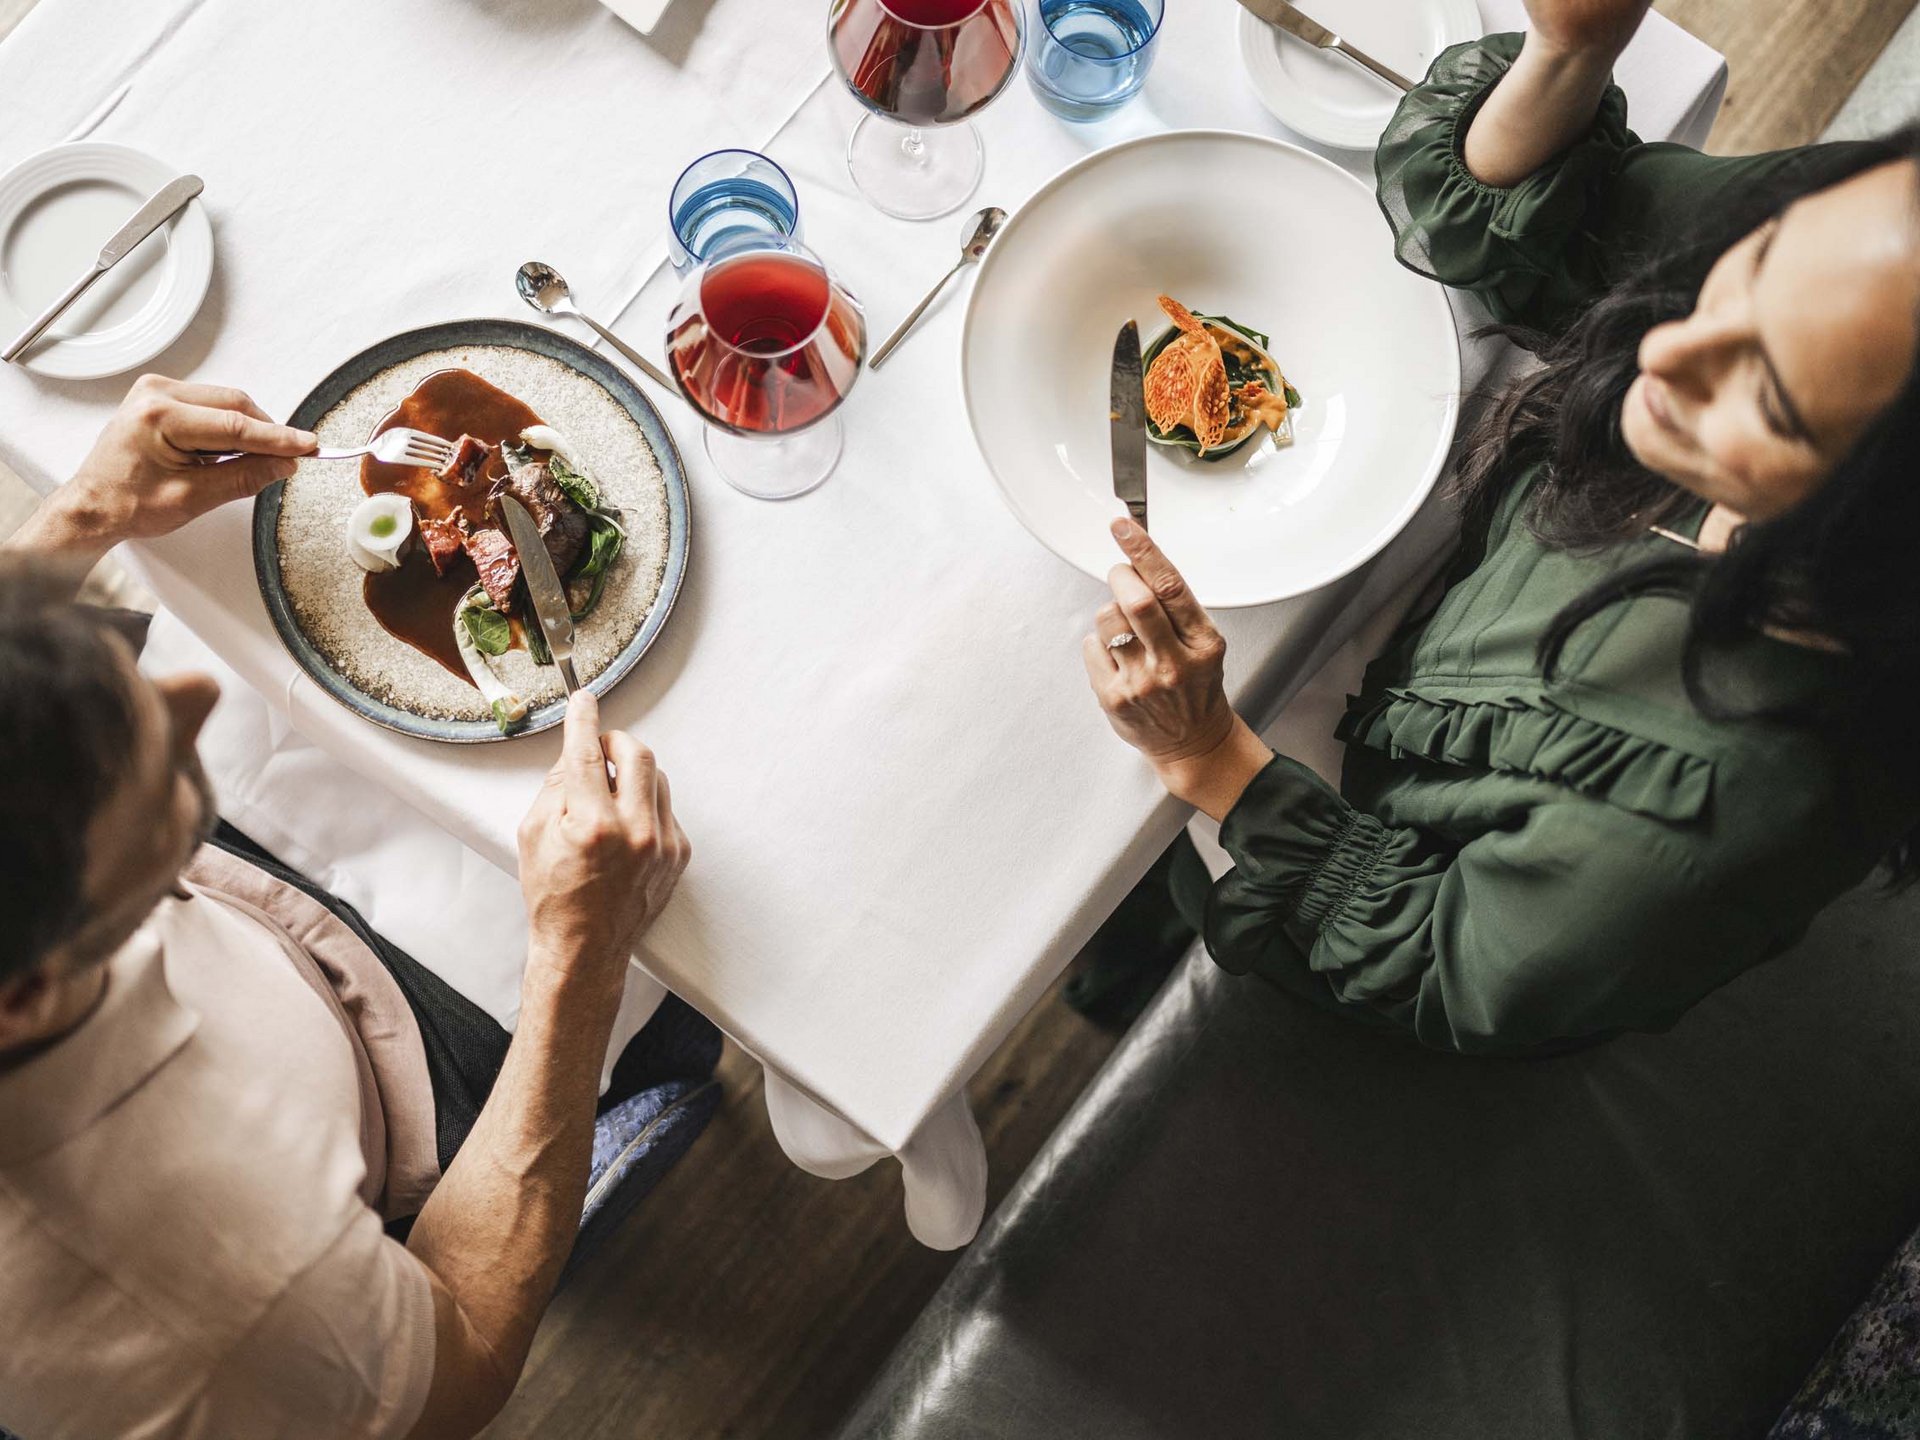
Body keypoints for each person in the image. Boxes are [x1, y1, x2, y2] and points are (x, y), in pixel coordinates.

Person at [1080, 0, 1920, 1054]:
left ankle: (1128, 977)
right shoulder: (1882, 241)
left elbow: (1441, 962)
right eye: (1747, 273)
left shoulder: (1707, 824)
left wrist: (1208, 755)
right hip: (1435, 596)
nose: (1663, 356)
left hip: (1363, 834)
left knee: (1104, 843)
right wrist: (1570, 52)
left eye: (1774, 398)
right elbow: (1583, 210)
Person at [0, 376, 701, 1438]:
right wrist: (578, 951)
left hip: (233, 906)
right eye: (118, 771)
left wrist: (86, 514)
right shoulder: (218, 1313)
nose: (183, 699)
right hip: (407, 1107)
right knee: (706, 975)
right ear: (26, 991)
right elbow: (460, 1359)